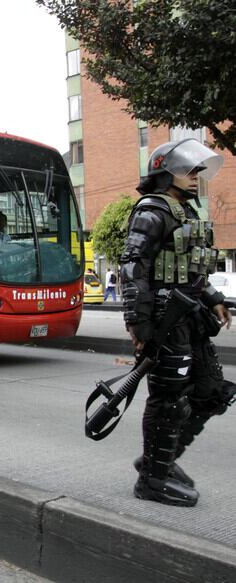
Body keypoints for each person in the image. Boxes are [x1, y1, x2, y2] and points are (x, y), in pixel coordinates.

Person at [119, 138, 233, 507]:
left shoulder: (184, 212)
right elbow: (133, 269)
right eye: (188, 170)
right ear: (164, 172)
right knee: (167, 399)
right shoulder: (151, 212)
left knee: (212, 391)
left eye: (198, 170)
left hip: (192, 317)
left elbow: (191, 269)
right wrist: (140, 326)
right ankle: (152, 480)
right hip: (166, 321)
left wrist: (214, 299)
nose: (196, 176)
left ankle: (157, 461)